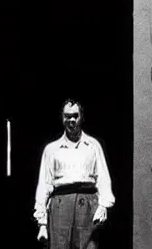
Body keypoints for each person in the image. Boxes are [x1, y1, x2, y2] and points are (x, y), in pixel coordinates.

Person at [34, 99, 115, 249]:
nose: (71, 120)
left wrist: (103, 206)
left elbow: (103, 178)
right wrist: (42, 223)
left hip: (88, 204)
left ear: (81, 117)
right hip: (60, 205)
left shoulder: (93, 146)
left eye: (75, 116)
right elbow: (44, 185)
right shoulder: (52, 149)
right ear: (62, 118)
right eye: (67, 116)